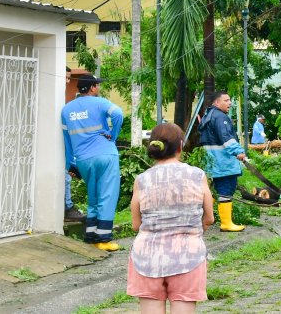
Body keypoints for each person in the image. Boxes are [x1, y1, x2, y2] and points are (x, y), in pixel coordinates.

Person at [127, 122, 213, 312]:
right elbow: (209, 218)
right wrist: (190, 232)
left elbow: (135, 224)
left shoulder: (141, 180)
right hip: (188, 256)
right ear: (181, 146)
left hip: (147, 259)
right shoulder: (197, 175)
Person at [61, 73, 123, 250]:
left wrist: (69, 164)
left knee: (93, 196)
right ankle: (103, 239)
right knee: (107, 196)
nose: (98, 88)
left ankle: (91, 237)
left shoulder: (67, 110)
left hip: (83, 159)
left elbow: (67, 139)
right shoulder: (100, 102)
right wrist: (113, 135)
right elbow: (118, 113)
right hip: (105, 155)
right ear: (93, 87)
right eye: (97, 85)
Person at [198, 92, 248, 232]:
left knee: (213, 192)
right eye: (226, 100)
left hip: (212, 162)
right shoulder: (221, 117)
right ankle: (226, 223)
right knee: (226, 190)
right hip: (224, 162)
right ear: (216, 103)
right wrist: (238, 151)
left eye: (230, 100)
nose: (230, 103)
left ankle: (199, 218)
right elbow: (227, 138)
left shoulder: (208, 116)